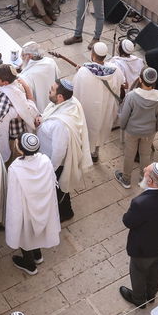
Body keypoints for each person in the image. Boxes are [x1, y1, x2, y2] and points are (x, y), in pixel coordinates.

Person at [120, 162, 158, 308]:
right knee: (156, 267)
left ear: (151, 181)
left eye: (145, 172)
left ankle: (139, 299)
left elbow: (128, 222)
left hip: (143, 248)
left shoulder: (140, 203)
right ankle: (151, 295)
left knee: (138, 272)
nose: (143, 172)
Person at [4, 132, 60, 275]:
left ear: (21, 150)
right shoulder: (45, 160)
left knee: (25, 235)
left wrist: (13, 217)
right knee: (36, 231)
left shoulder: (15, 168)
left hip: (26, 208)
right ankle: (38, 255)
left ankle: (30, 265)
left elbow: (14, 195)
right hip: (43, 204)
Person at [38, 79, 93, 222]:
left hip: (55, 164)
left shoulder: (60, 125)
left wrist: (50, 169)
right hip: (51, 159)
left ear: (60, 97)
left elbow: (58, 152)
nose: (49, 91)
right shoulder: (71, 102)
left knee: (59, 189)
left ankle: (66, 213)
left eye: (52, 90)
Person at [73, 41, 122, 162]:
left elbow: (76, 90)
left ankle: (84, 152)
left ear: (93, 55)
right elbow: (121, 82)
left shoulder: (84, 71)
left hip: (88, 109)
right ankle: (95, 152)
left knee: (87, 130)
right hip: (106, 108)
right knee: (101, 129)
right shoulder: (115, 70)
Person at [118, 67, 158, 189]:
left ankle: (126, 179)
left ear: (140, 79)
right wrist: (157, 129)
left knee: (129, 154)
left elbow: (124, 116)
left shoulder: (132, 96)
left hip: (132, 131)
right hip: (149, 132)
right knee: (145, 155)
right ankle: (143, 179)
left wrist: (123, 127)